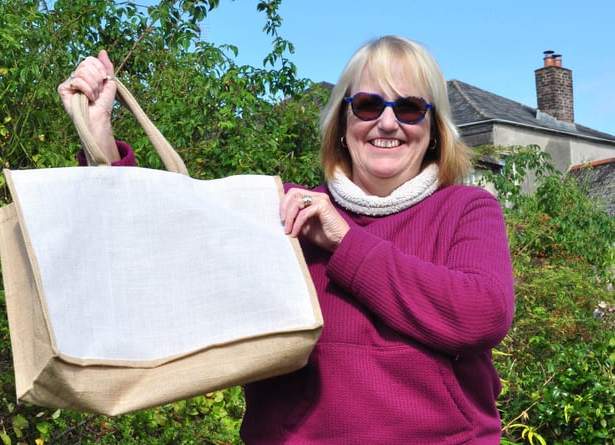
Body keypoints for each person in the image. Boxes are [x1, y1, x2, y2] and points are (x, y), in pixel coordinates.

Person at [58, 35, 515, 444]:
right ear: (342, 121)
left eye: (410, 108)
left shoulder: (465, 210)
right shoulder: (287, 209)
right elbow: (172, 271)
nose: (389, 123)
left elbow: (482, 315)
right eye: (369, 106)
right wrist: (100, 141)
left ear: (434, 131)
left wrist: (345, 242)